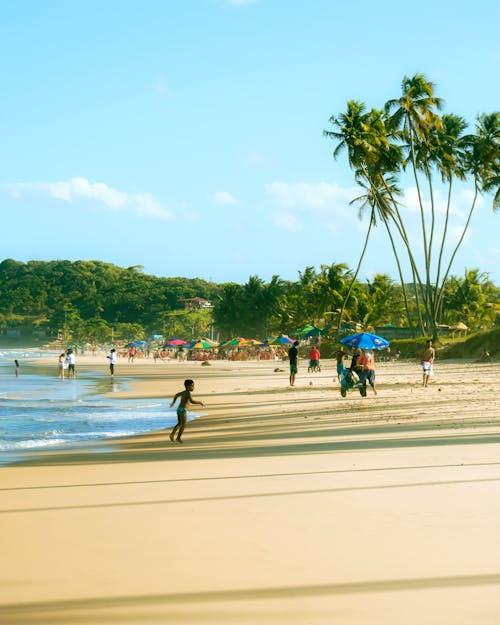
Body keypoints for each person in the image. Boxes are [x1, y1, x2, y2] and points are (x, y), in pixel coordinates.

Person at [169, 379, 204, 443]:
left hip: (179, 409)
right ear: (188, 386)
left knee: (179, 423)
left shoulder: (183, 392)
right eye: (192, 386)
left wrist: (173, 403)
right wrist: (200, 402)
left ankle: (172, 434)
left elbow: (176, 395)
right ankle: (178, 438)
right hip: (183, 410)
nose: (193, 387)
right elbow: (192, 401)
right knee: (183, 424)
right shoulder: (188, 393)